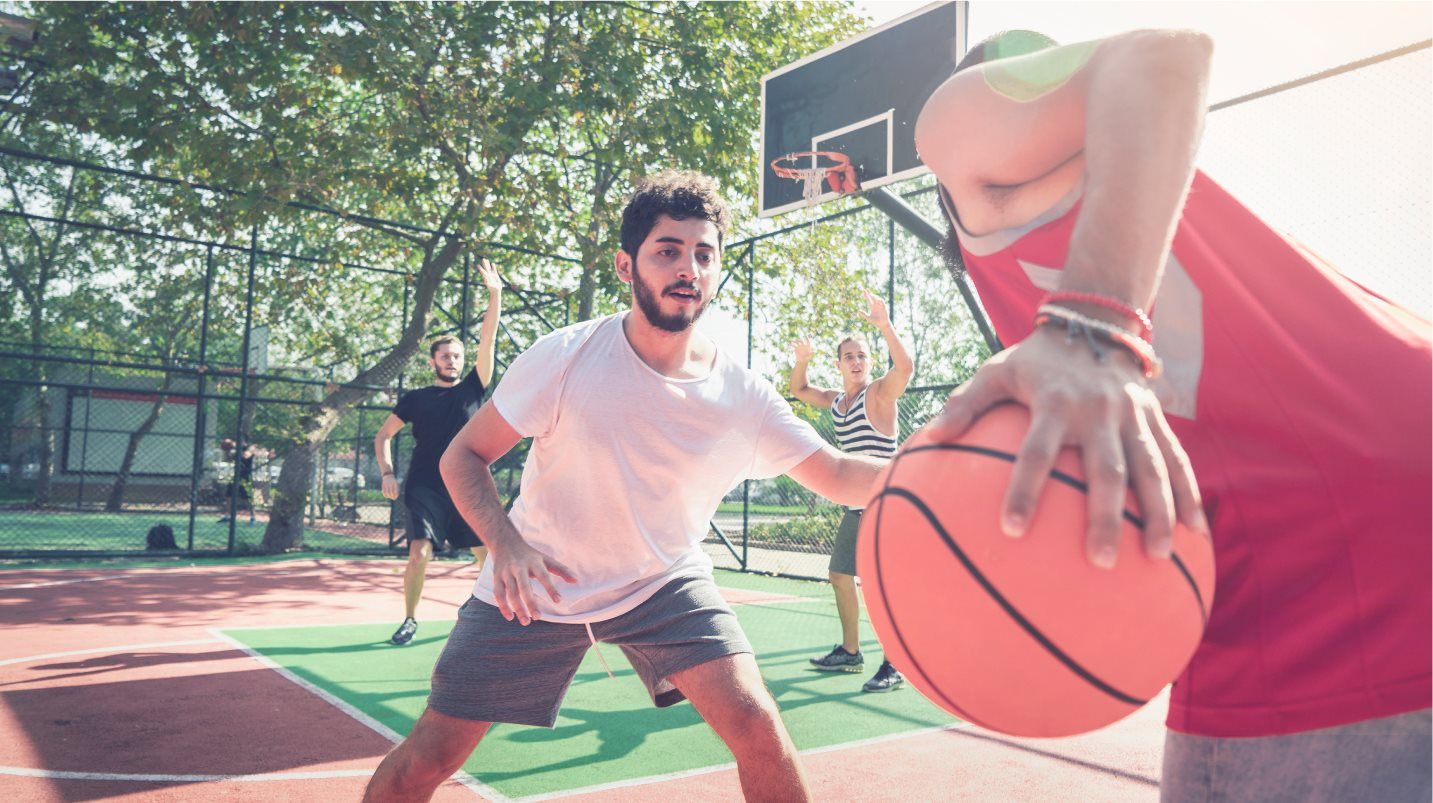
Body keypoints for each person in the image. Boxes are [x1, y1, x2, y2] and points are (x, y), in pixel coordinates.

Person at [914, 29, 1430, 799]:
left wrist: (1093, 324)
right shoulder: (1081, 255)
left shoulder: (957, 127)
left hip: (1331, 549)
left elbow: (1162, 56)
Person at [363, 171, 887, 803]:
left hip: (662, 582)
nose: (687, 267)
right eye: (667, 250)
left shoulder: (741, 394)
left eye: (703, 253)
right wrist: (505, 545)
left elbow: (838, 474)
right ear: (625, 264)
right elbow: (463, 457)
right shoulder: (566, 356)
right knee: (429, 758)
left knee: (756, 724)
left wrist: (946, 472)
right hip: (540, 583)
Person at [373, 258, 504, 646]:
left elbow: (489, 340)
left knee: (488, 560)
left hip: (465, 485)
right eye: (446, 356)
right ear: (433, 361)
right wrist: (386, 472)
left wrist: (495, 294)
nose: (453, 361)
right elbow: (383, 436)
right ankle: (411, 619)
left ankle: (501, 618)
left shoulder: (474, 388)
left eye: (457, 356)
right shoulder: (416, 398)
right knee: (420, 552)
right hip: (424, 486)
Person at [789, 291, 913, 693]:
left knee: (885, 588)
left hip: (887, 507)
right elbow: (799, 390)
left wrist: (884, 326)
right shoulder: (838, 402)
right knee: (841, 575)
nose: (856, 361)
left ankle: (894, 665)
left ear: (869, 362)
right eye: (849, 357)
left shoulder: (879, 394)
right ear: (840, 364)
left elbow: (906, 367)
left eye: (862, 355)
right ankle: (850, 652)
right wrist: (802, 360)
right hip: (856, 509)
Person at [216, 438, 258, 524]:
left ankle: (253, 517)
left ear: (245, 443)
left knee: (248, 499)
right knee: (229, 496)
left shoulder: (249, 449)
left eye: (242, 441)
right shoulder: (236, 451)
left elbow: (245, 456)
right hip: (236, 476)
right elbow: (230, 459)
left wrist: (235, 448)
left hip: (245, 477)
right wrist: (227, 451)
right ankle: (228, 516)